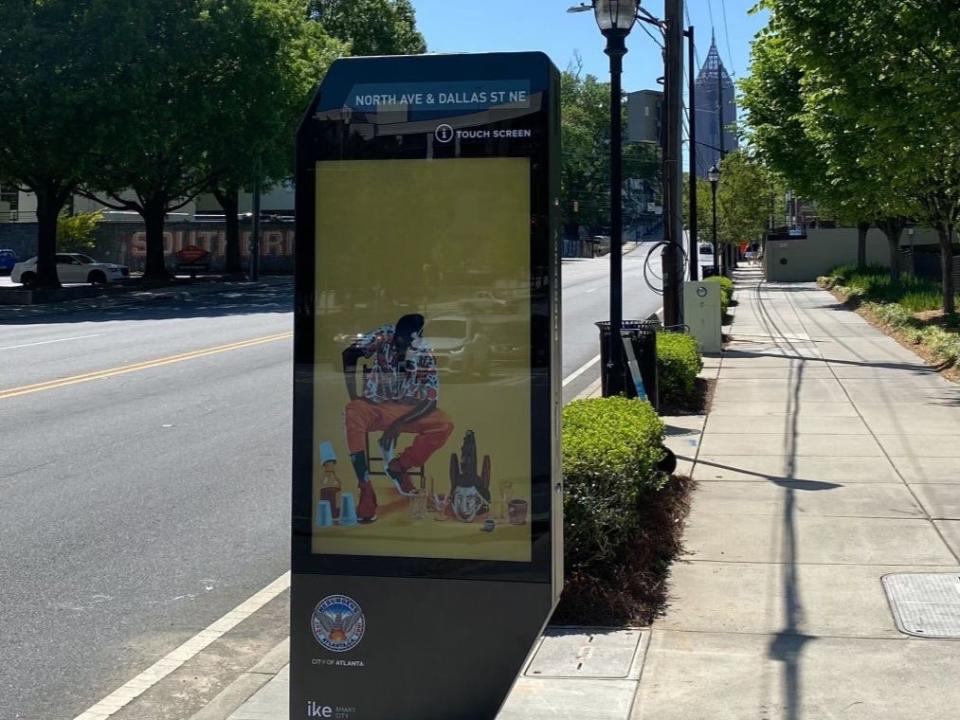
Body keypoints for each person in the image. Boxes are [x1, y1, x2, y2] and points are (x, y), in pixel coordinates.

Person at [341, 314, 454, 523]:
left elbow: (430, 402)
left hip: (407, 411)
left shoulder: (425, 353)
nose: (402, 345)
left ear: (418, 336)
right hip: (375, 405)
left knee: (444, 424)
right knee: (352, 412)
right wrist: (353, 395)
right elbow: (349, 354)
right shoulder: (384, 335)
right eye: (399, 340)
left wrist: (398, 424)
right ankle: (365, 487)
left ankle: (398, 467)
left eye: (407, 341)